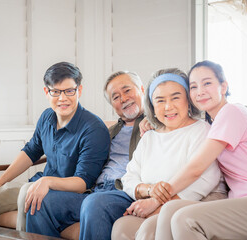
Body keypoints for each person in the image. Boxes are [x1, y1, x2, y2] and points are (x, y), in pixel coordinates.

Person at [0, 62, 110, 231]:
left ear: (79, 90)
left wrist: (47, 181)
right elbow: (31, 151)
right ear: (47, 92)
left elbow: (83, 182)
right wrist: (0, 182)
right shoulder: (46, 117)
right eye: (56, 92)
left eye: (69, 91)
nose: (62, 98)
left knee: (26, 196)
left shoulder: (94, 129)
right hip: (36, 185)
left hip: (66, 196)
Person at [79, 68, 224, 240]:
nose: (168, 107)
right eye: (160, 100)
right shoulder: (149, 137)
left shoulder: (201, 130)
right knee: (121, 227)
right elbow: (128, 179)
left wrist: (159, 205)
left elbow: (205, 180)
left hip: (193, 204)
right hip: (155, 203)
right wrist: (149, 190)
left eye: (175, 97)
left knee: (148, 229)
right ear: (152, 107)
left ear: (188, 100)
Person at [150, 60, 247, 240]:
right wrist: (150, 123)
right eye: (193, 87)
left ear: (223, 87)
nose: (200, 91)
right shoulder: (214, 123)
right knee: (170, 209)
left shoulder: (231, 112)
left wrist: (156, 199)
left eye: (207, 83)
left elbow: (196, 168)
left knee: (185, 219)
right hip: (241, 203)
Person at [23, 70, 145, 238]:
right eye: (115, 97)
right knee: (39, 202)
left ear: (142, 90)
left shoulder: (154, 126)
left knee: (94, 204)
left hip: (125, 192)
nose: (123, 99)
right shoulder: (108, 132)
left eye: (127, 90)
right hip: (95, 191)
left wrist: (151, 119)